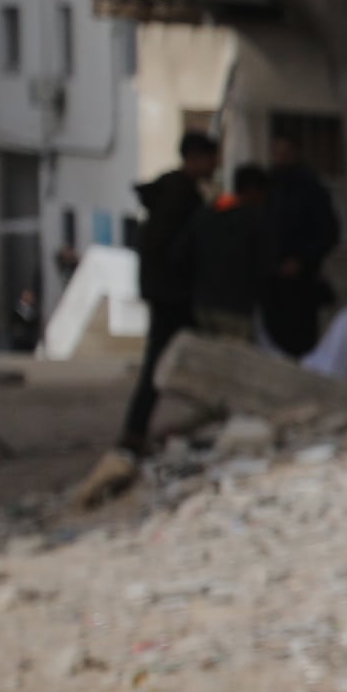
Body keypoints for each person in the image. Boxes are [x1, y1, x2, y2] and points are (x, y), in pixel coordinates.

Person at [119, 131, 220, 454]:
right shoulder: (179, 196)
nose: (215, 165)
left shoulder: (174, 192)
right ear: (195, 158)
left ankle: (139, 430)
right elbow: (174, 248)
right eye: (210, 158)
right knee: (162, 361)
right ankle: (136, 431)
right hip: (172, 293)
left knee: (165, 359)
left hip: (166, 290)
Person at [259, 134, 344, 358]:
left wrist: (302, 259)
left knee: (299, 343)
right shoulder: (267, 185)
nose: (281, 158)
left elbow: (328, 233)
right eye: (277, 152)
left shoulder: (310, 188)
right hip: (271, 279)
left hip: (301, 282)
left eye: (286, 153)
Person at [190, 165, 275, 351]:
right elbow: (263, 266)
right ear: (253, 191)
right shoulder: (253, 220)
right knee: (234, 365)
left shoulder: (207, 214)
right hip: (236, 308)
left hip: (203, 305)